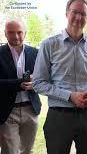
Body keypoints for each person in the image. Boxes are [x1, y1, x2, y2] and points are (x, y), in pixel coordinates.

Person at [32, 0, 87, 154]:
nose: (79, 17)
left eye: (83, 14)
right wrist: (70, 96)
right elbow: (38, 83)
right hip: (59, 116)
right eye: (75, 12)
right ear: (66, 13)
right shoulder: (49, 44)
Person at [0, 20, 41, 154]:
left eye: (19, 32)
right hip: (7, 111)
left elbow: (46, 79)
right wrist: (18, 84)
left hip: (31, 109)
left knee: (27, 150)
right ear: (5, 34)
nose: (16, 36)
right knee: (9, 151)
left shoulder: (36, 53)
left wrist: (35, 83)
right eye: (11, 32)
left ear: (25, 33)